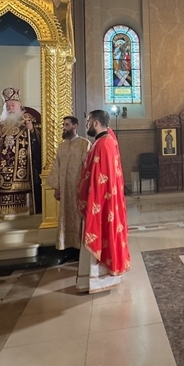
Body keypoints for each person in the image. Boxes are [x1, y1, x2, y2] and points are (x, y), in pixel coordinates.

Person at [76, 110, 131, 293]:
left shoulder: (103, 144)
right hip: (104, 200)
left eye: (89, 121)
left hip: (100, 202)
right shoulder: (106, 140)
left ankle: (99, 279)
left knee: (100, 235)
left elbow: (99, 178)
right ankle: (91, 280)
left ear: (96, 123)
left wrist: (91, 202)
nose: (87, 124)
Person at [0, 88, 40, 218]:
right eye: (7, 106)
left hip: (22, 163)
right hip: (2, 164)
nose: (10, 108)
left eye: (12, 105)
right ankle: (3, 213)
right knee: (4, 188)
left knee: (21, 187)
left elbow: (41, 137)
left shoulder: (28, 118)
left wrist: (32, 129)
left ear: (19, 105)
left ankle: (24, 213)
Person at [46, 116, 91, 263]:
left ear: (75, 126)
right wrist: (57, 187)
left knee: (78, 218)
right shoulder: (62, 146)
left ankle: (81, 249)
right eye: (63, 125)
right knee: (66, 217)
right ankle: (69, 249)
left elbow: (88, 168)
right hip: (65, 191)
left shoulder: (85, 144)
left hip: (79, 190)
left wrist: (85, 188)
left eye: (67, 125)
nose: (64, 127)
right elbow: (57, 168)